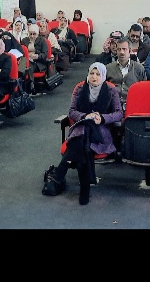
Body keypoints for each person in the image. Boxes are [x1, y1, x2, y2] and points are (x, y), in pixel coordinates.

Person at [42, 62, 123, 205]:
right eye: (92, 73)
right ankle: (84, 189)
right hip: (81, 127)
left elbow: (118, 113)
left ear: (103, 76)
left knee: (83, 140)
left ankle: (61, 170)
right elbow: (72, 111)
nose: (94, 77)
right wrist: (85, 116)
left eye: (98, 74)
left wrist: (102, 118)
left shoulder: (111, 90)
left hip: (100, 131)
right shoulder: (80, 88)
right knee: (85, 139)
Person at [105, 36, 147, 110]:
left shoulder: (139, 68)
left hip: (134, 105)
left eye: (124, 49)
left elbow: (144, 90)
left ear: (130, 51)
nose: (121, 52)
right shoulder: (108, 68)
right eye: (119, 49)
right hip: (112, 106)